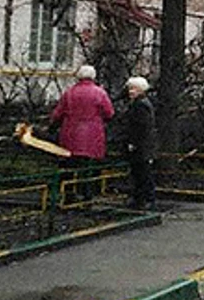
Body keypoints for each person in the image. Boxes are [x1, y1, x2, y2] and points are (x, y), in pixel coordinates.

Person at [51, 65, 115, 201]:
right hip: (93, 135)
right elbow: (109, 113)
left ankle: (68, 194)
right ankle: (87, 195)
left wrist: (52, 127)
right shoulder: (100, 93)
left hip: (70, 133)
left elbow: (57, 114)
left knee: (69, 165)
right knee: (88, 167)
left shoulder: (69, 92)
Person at [116, 76, 157, 210]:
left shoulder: (140, 105)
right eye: (130, 89)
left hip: (140, 145)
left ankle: (146, 199)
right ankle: (141, 198)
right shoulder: (141, 103)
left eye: (134, 89)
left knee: (142, 172)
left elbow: (140, 127)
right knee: (140, 172)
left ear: (141, 90)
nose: (130, 91)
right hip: (143, 144)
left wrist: (133, 142)